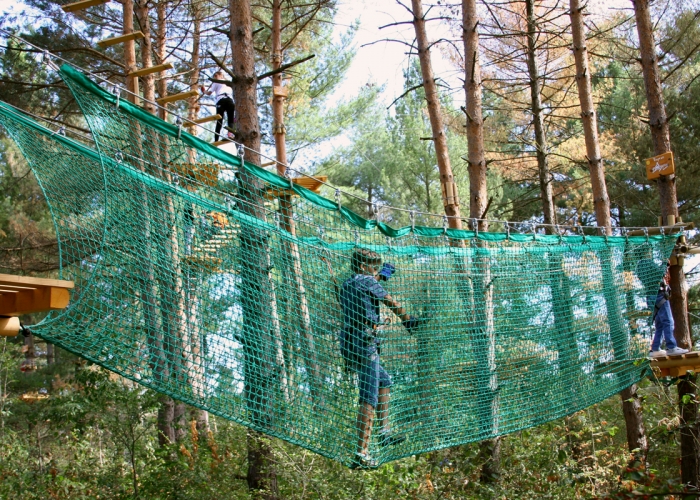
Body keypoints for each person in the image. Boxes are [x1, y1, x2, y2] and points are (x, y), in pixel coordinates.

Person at [339, 248, 421, 468]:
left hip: (350, 341)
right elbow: (390, 301)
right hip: (364, 342)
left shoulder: (348, 283)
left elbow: (368, 289)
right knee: (369, 395)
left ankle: (383, 432)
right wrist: (407, 320)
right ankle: (361, 452)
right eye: (373, 266)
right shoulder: (368, 282)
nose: (375, 270)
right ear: (364, 266)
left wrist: (382, 276)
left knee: (384, 381)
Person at [636, 253, 688, 358]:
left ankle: (655, 348)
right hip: (659, 295)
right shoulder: (648, 263)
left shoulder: (639, 267)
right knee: (668, 321)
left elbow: (654, 275)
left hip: (650, 296)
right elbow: (659, 274)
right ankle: (671, 347)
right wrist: (664, 263)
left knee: (659, 323)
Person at [201, 69, 235, 142]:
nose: (215, 78)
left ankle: (227, 135)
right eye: (214, 76)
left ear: (221, 75)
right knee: (223, 120)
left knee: (227, 119)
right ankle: (220, 138)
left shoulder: (223, 82)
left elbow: (209, 93)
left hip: (225, 99)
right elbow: (209, 92)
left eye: (216, 76)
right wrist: (204, 91)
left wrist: (204, 91)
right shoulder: (222, 83)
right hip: (224, 100)